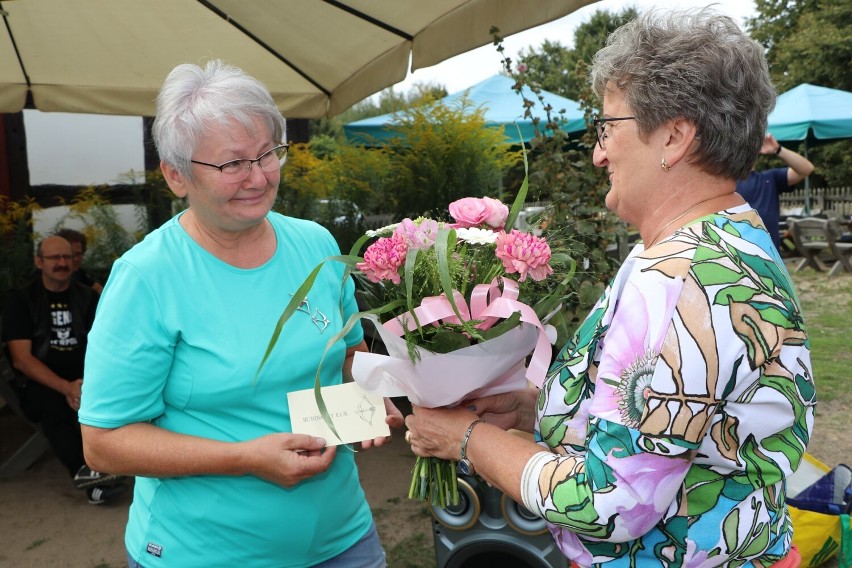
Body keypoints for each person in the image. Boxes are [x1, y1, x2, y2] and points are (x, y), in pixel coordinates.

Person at [404, 9, 814, 567]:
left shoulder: (673, 278)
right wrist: (535, 411)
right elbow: (674, 420)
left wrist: (466, 438)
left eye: (607, 127)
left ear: (674, 135)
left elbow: (612, 502)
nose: (598, 152)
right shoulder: (730, 235)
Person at [78, 60, 404, 568]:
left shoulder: (316, 245)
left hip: (342, 538)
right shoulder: (146, 278)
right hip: (204, 552)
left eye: (268, 154)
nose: (258, 177)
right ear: (176, 175)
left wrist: (368, 398)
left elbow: (348, 357)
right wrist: (245, 459)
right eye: (232, 164)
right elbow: (103, 443)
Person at [1, 235, 124, 505]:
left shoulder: (88, 298)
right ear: (39, 262)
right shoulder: (21, 301)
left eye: (68, 257)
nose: (62, 263)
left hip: (86, 376)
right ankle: (89, 473)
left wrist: (86, 382)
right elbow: (22, 360)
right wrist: (66, 387)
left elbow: (106, 345)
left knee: (114, 395)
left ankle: (107, 470)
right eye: (55, 258)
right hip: (40, 382)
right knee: (52, 405)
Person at [736, 133, 815, 251]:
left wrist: (778, 150)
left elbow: (807, 169)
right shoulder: (724, 183)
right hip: (737, 252)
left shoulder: (770, 178)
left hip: (770, 254)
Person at [55, 227, 104, 293]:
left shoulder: (78, 273)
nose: (75, 259)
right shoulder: (46, 278)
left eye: (78, 254)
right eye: (70, 254)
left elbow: (98, 289)